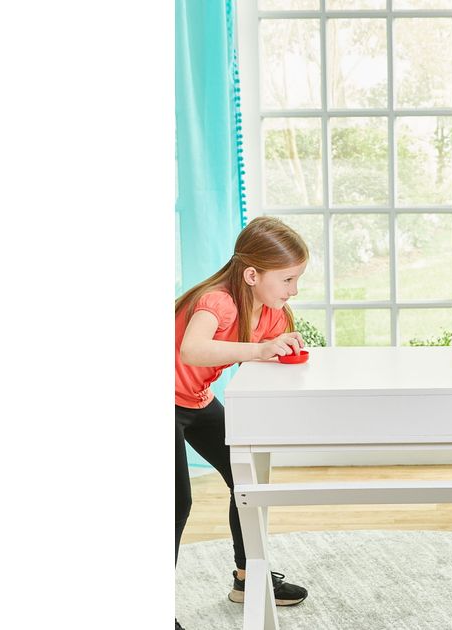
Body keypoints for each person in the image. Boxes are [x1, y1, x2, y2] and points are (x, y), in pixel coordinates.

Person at [175, 216, 311, 629]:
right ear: (252, 275)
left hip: (195, 399)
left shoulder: (272, 314)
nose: (294, 290)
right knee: (176, 502)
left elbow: (266, 364)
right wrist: (259, 350)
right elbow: (192, 350)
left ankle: (247, 578)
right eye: (287, 279)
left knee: (246, 479)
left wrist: (284, 353)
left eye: (297, 279)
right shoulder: (219, 301)